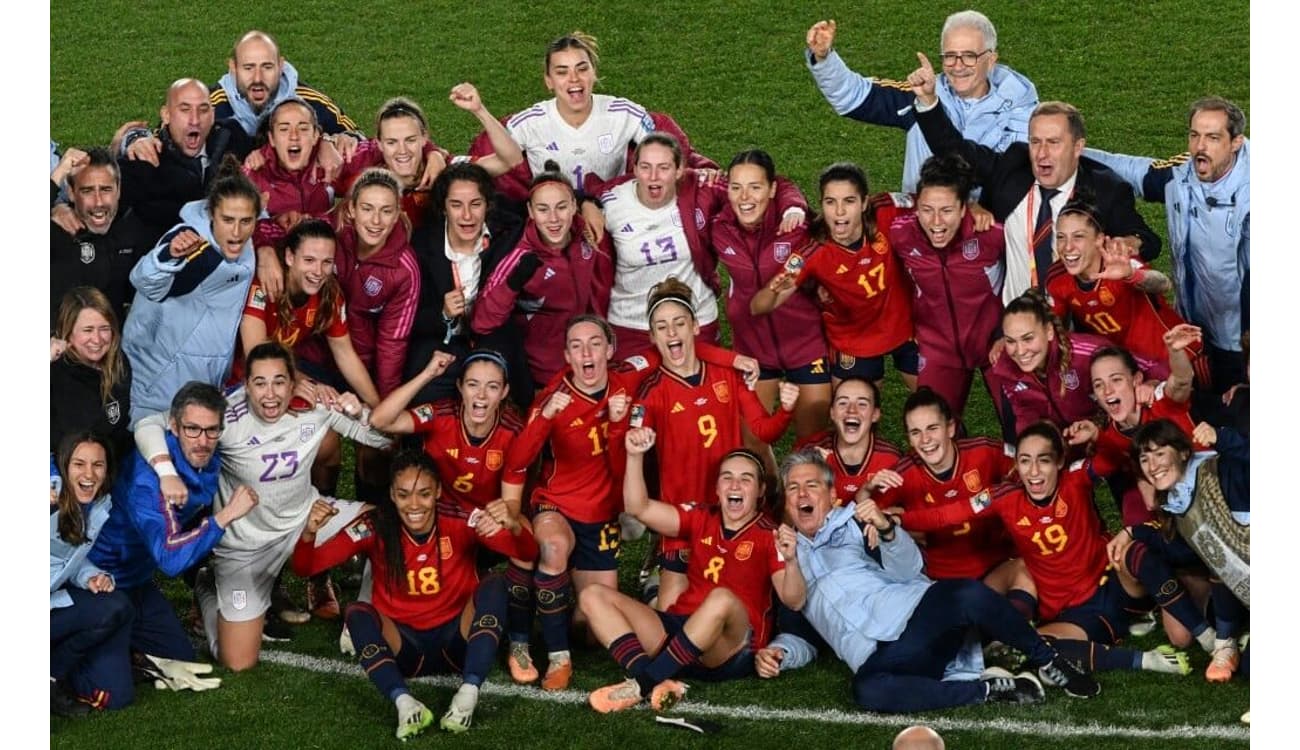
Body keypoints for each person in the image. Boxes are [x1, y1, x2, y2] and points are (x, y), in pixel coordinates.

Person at [766, 447, 1098, 712]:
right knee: (867, 691)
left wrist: (885, 529)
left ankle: (1051, 663)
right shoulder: (784, 549)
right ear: (787, 501)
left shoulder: (855, 520)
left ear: (831, 493)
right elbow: (795, 603)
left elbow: (910, 568)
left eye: (811, 485)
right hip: (877, 655)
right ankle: (990, 690)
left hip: (914, 618)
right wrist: (793, 564)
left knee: (966, 593)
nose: (801, 494)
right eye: (793, 487)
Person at [132, 343, 391, 670]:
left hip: (306, 519)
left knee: (387, 525)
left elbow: (386, 440)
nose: (271, 394)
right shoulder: (226, 413)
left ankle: (363, 618)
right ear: (245, 385)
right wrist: (166, 472)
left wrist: (359, 413)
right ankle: (206, 586)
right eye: (260, 383)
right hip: (246, 547)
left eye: (279, 381)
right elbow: (147, 425)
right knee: (237, 661)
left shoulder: (316, 404)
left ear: (294, 381)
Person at [897, 422, 1197, 678]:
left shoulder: (1076, 480)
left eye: (1043, 460)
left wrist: (1097, 433)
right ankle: (1145, 660)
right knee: (1031, 645)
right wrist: (896, 518)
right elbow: (947, 515)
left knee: (1133, 552)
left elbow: (1115, 455)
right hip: (1076, 617)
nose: (1034, 471)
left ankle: (1207, 635)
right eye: (1025, 460)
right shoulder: (1002, 498)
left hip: (1117, 586)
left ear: (1059, 462)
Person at [292, 450, 538, 737]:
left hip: (458, 642)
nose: (414, 504)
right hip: (404, 648)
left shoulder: (462, 519)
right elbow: (305, 567)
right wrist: (309, 533)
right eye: (404, 494)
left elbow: (528, 552)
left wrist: (514, 526)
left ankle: (468, 693)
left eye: (423, 493)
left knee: (495, 584)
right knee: (356, 613)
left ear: (438, 492)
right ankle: (405, 704)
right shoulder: (374, 526)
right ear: (393, 496)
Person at [581, 432, 802, 712]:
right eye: (727, 477)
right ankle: (659, 680)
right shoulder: (701, 517)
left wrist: (793, 561)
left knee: (721, 598)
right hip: (680, 631)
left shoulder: (768, 534)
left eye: (746, 479)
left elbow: (794, 600)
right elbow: (639, 508)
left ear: (759, 491)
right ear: (717, 489)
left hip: (730, 647)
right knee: (592, 595)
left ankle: (640, 684)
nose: (735, 484)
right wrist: (635, 457)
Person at [908, 58, 1160, 303]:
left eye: (1053, 143)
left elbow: (1148, 240)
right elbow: (955, 152)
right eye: (1035, 141)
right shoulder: (1014, 167)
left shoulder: (1105, 189)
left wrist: (1129, 242)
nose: (1041, 154)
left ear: (1077, 147)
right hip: (1015, 326)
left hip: (1075, 328)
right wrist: (928, 101)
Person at [634, 278, 798, 610]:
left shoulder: (727, 376)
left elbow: (764, 432)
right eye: (662, 327)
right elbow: (635, 435)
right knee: (669, 614)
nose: (672, 333)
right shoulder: (651, 391)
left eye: (679, 323)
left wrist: (787, 409)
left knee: (741, 598)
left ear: (695, 326)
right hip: (680, 518)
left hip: (731, 510)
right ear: (652, 337)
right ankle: (658, 580)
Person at [88, 382, 255, 689]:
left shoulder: (204, 450)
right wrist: (226, 515)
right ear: (174, 427)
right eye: (192, 429)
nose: (203, 441)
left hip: (137, 580)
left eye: (211, 430)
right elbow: (171, 559)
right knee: (113, 688)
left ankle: (129, 645)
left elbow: (249, 386)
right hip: (100, 581)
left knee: (181, 656)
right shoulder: (149, 483)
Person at [1085, 97, 1250, 399]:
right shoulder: (1182, 176)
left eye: (1213, 137)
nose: (1200, 146)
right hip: (1191, 328)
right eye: (1194, 135)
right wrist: (1074, 150)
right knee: (1197, 418)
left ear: (1236, 142)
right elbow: (1134, 171)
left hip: (1240, 343)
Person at [501, 316, 631, 690]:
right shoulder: (553, 397)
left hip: (601, 515)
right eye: (576, 345)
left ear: (610, 350)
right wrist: (545, 417)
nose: (586, 352)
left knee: (592, 630)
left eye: (594, 343)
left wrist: (735, 360)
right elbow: (517, 460)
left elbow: (665, 354)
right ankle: (557, 659)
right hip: (556, 504)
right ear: (566, 355)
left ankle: (554, 610)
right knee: (553, 546)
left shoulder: (627, 384)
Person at [804, 12, 1038, 194]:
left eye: (969, 56)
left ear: (991, 59)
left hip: (988, 238)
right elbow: (854, 96)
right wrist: (824, 58)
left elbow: (1012, 175)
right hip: (920, 237)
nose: (957, 66)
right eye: (949, 55)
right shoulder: (920, 94)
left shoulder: (1022, 109)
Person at [751, 160, 916, 392]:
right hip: (853, 340)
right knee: (853, 417)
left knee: (939, 406)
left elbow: (934, 201)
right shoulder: (812, 252)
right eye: (830, 202)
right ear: (822, 205)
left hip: (905, 326)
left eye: (848, 201)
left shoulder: (887, 210)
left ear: (864, 203)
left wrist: (975, 209)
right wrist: (773, 290)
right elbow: (759, 307)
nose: (839, 212)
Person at [120, 164, 262, 425]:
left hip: (202, 390)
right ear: (211, 215)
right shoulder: (193, 244)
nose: (237, 231)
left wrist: (269, 252)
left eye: (246, 221)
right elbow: (145, 281)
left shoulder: (248, 246)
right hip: (155, 388)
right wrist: (167, 256)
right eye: (228, 220)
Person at [873, 388, 1030, 608]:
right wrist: (883, 518)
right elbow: (867, 509)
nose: (925, 439)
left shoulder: (984, 451)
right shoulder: (902, 474)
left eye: (932, 428)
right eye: (915, 432)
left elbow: (1030, 467)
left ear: (951, 428)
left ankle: (1015, 634)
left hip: (995, 566)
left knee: (1026, 570)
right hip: (942, 581)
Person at [709, 149, 828, 440]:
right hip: (753, 348)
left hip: (807, 345)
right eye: (736, 187)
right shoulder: (719, 228)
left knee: (812, 443)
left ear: (772, 188)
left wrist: (794, 204)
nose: (745, 197)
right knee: (754, 443)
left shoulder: (796, 224)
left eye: (756, 187)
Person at [472, 164, 613, 389]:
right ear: (530, 211)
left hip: (594, 364)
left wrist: (591, 203)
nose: (554, 219)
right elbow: (481, 322)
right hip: (544, 377)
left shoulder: (590, 235)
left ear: (574, 205)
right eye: (543, 209)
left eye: (561, 207)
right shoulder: (519, 257)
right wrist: (513, 283)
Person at [1129, 418, 1249, 680]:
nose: (1153, 465)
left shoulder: (1220, 469)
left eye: (1160, 453)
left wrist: (1223, 437)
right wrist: (1134, 532)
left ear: (1184, 452)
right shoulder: (1176, 504)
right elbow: (1185, 552)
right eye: (1144, 458)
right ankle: (1225, 641)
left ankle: (1226, 639)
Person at [889, 154, 1006, 422]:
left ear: (965, 208)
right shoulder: (900, 234)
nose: (936, 222)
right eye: (927, 210)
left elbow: (1029, 275)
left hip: (996, 345)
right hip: (937, 348)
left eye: (946, 211)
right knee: (933, 428)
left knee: (1023, 426)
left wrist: (1008, 333)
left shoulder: (992, 235)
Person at [406, 162, 528, 407]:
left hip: (492, 332)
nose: (467, 216)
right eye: (456, 205)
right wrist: (443, 313)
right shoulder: (421, 246)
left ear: (488, 205)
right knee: (423, 377)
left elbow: (547, 198)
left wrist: (589, 202)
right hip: (442, 337)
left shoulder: (507, 230)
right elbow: (409, 317)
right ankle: (419, 440)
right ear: (443, 208)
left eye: (475, 204)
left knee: (514, 381)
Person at [337, 86, 523, 232]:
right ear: (379, 143)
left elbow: (510, 160)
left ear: (424, 138)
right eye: (392, 142)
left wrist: (479, 110)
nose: (402, 151)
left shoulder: (446, 170)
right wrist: (327, 142)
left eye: (410, 140)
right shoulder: (358, 167)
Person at [1047, 200, 1196, 378]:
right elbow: (1055, 327)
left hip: (1174, 358)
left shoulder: (1119, 261)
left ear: (1099, 239)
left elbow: (1163, 284)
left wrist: (1131, 275)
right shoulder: (1057, 278)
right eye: (1061, 237)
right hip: (1123, 372)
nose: (1067, 247)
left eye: (1078, 236)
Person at [987, 289, 1156, 441]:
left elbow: (1150, 367)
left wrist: (1152, 383)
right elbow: (1025, 414)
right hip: (1065, 452)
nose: (1020, 351)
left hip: (1115, 439)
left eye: (1028, 338)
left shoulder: (1089, 352)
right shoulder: (1004, 368)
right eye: (1010, 341)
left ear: (1049, 331)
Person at [505, 31, 654, 196]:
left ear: (594, 72)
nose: (574, 78)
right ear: (549, 81)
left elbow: (666, 154)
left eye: (582, 69)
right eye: (562, 72)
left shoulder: (624, 114)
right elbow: (497, 161)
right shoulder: (528, 123)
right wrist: (480, 111)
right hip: (554, 218)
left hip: (611, 214)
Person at [50, 433, 134, 714]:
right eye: (79, 464)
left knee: (116, 606)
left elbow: (64, 560)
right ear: (63, 466)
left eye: (97, 465)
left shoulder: (98, 506)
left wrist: (90, 576)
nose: (89, 474)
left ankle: (51, 677)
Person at [112, 79, 255, 241]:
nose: (195, 120)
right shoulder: (145, 159)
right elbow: (102, 190)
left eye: (203, 110)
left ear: (213, 115)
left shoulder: (232, 137)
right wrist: (118, 148)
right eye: (185, 110)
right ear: (166, 115)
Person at [333, 168, 421, 400]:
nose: (375, 221)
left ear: (397, 215)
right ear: (352, 209)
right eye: (367, 208)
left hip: (359, 364)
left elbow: (392, 342)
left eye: (386, 211)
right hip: (316, 346)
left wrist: (385, 403)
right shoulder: (335, 231)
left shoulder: (404, 270)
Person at [243, 97, 336, 296]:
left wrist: (342, 138)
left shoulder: (331, 163)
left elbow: (379, 150)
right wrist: (263, 247)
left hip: (322, 271)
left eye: (303, 128)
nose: (294, 136)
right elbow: (224, 225)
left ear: (315, 135)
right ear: (272, 139)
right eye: (284, 129)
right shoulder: (253, 174)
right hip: (274, 279)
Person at [50, 147, 152, 325]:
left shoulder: (133, 229)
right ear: (71, 193)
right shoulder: (57, 234)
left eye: (106, 189)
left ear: (119, 190)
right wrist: (57, 177)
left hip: (114, 346)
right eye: (87, 191)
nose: (98, 202)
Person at [210, 30, 362, 143]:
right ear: (233, 68)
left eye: (267, 67)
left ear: (281, 66)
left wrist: (332, 142)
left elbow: (357, 137)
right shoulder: (208, 106)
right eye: (249, 68)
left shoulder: (307, 102)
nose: (258, 78)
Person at [50, 288, 133, 464]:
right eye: (87, 330)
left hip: (115, 470)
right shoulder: (54, 372)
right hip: (65, 475)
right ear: (68, 333)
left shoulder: (119, 363)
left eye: (104, 329)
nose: (97, 339)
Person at [794, 377, 902, 507]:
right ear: (832, 412)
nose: (851, 410)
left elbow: (901, 512)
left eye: (862, 404)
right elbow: (788, 512)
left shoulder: (892, 460)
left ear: (875, 414)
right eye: (843, 403)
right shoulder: (807, 453)